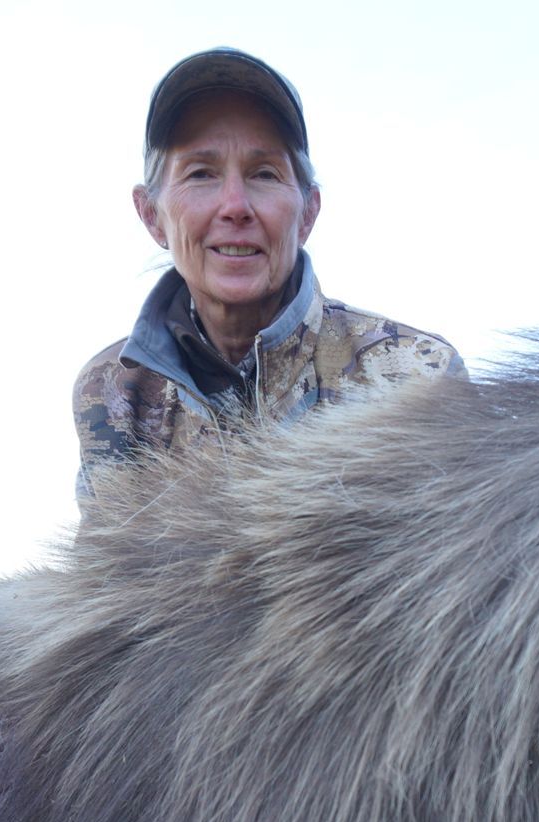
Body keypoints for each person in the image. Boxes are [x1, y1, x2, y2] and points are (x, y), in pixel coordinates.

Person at [72, 48, 462, 523]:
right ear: (152, 216)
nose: (235, 206)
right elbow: (106, 585)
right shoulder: (111, 389)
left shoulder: (419, 375)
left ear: (308, 214)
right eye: (200, 174)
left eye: (264, 174)